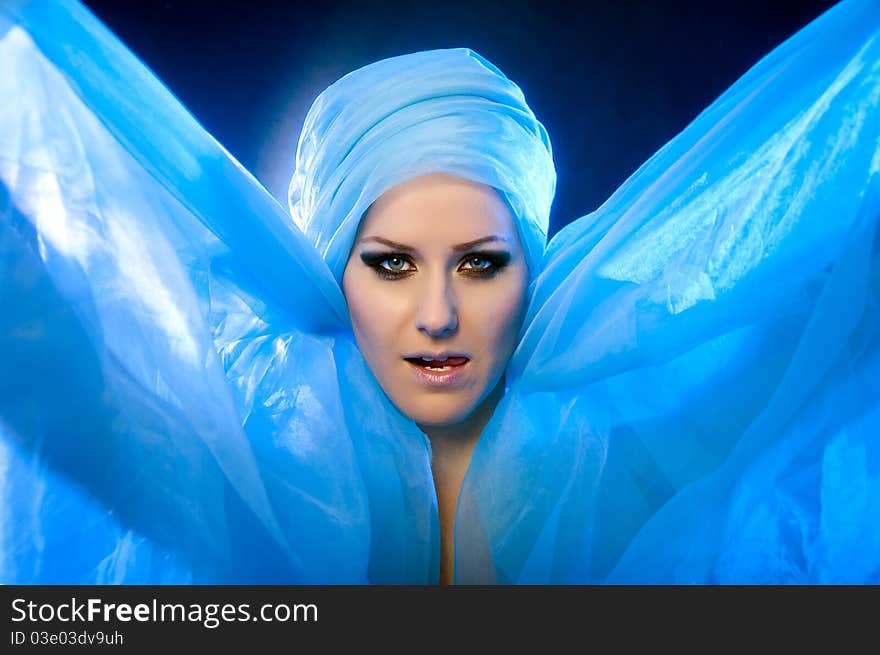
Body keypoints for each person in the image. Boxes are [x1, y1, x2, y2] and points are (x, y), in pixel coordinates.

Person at [0, 0, 878, 584]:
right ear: (329, 271)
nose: (437, 314)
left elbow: (814, 303)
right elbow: (67, 383)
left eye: (481, 263)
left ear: (536, 266)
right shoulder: (268, 450)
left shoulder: (620, 432)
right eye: (389, 263)